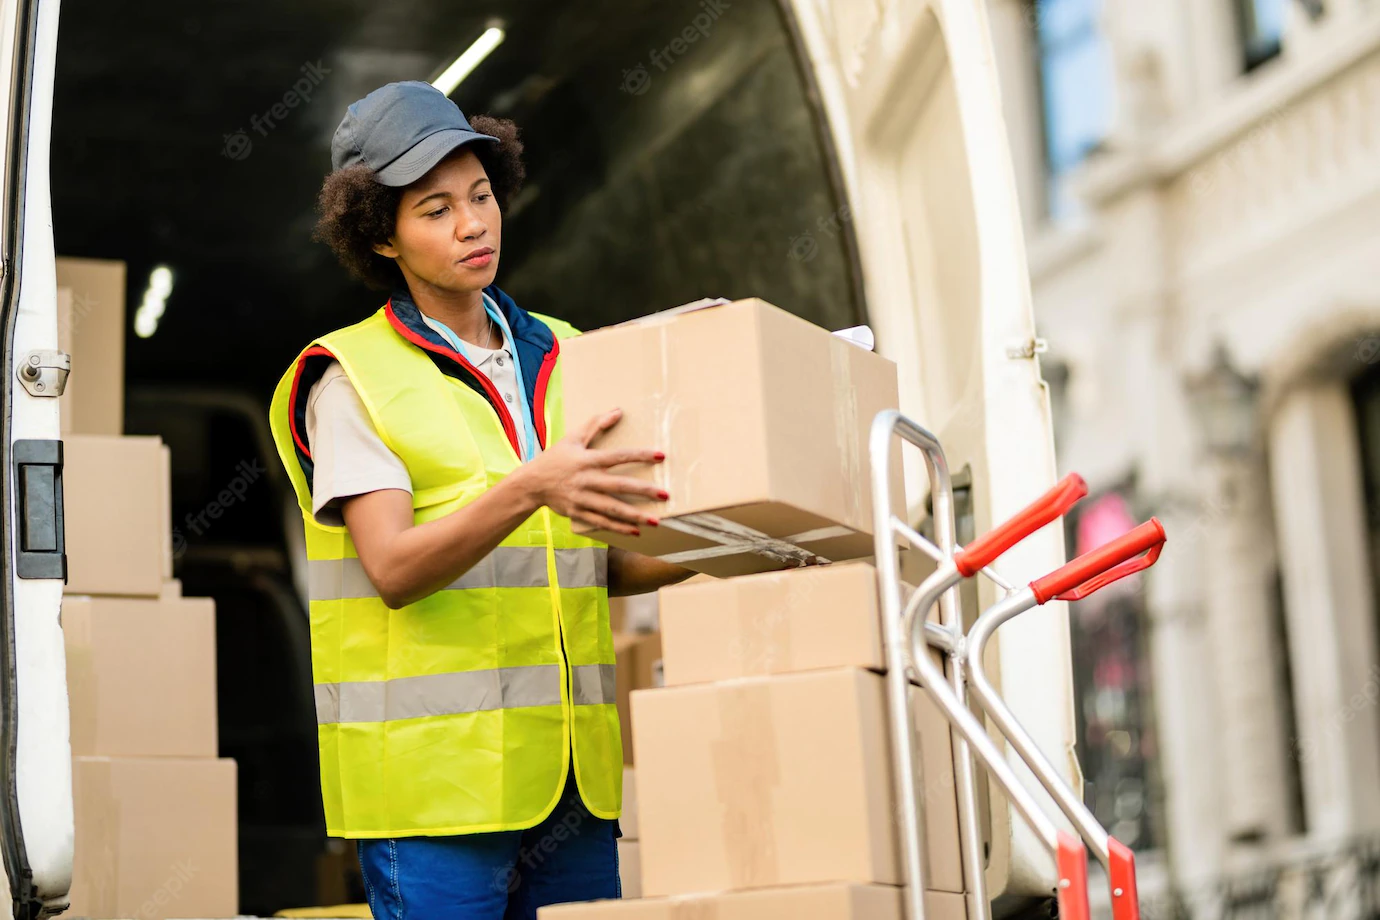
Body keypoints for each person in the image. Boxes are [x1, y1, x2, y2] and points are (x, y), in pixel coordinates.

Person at [267, 80, 693, 920]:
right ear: (380, 236)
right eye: (434, 209)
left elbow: (600, 562)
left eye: (481, 195)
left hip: (571, 785)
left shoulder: (571, 351)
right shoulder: (351, 379)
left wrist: (746, 542)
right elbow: (391, 567)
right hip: (435, 796)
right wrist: (532, 485)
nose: (472, 224)